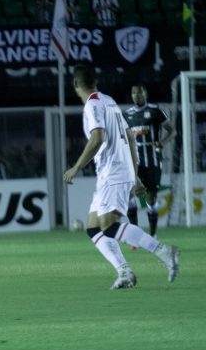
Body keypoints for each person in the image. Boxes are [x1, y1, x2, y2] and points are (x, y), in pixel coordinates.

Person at [63, 65, 179, 289]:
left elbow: (96, 139)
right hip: (117, 171)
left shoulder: (92, 106)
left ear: (76, 86)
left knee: (108, 225)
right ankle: (124, 272)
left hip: (112, 172)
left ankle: (165, 251)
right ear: (95, 82)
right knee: (94, 228)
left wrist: (76, 167)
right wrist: (134, 176)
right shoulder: (109, 101)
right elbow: (130, 138)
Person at [123, 83, 174, 236]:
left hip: (152, 161)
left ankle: (152, 234)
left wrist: (162, 142)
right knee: (129, 195)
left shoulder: (155, 111)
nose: (136, 96)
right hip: (134, 163)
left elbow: (172, 131)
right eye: (133, 93)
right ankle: (136, 233)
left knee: (151, 197)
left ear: (145, 94)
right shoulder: (127, 115)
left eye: (139, 93)